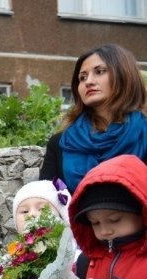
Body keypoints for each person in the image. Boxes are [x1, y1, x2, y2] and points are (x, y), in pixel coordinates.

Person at [41, 44, 146, 193]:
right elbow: (44, 201)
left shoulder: (143, 136)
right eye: (82, 78)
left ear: (124, 75)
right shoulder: (60, 143)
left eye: (100, 71)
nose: (88, 81)